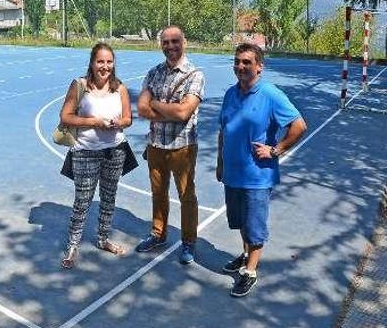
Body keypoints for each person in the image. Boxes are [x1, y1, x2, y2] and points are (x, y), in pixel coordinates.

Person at [217, 43, 307, 297]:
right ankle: (246, 256)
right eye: (237, 61)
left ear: (259, 67)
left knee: (254, 224)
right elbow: (223, 131)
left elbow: (299, 125)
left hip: (257, 175)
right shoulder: (230, 94)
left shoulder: (270, 94)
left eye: (247, 62)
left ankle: (250, 271)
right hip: (233, 173)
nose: (241, 66)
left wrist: (276, 150)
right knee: (241, 221)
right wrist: (220, 162)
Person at [59, 42, 133, 269]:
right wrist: (94, 122)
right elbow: (66, 117)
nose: (105, 66)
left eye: (109, 62)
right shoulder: (80, 85)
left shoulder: (119, 88)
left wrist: (118, 123)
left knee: (109, 198)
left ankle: (103, 238)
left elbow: (128, 119)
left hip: (115, 151)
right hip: (85, 152)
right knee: (83, 201)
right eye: (100, 61)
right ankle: (73, 245)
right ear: (92, 63)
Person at [136, 26, 205, 264]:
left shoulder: (194, 74)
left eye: (175, 41)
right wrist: (169, 110)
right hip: (156, 144)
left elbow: (184, 112)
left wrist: (156, 104)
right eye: (166, 42)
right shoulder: (154, 72)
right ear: (161, 45)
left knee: (186, 196)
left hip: (182, 146)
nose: (170, 46)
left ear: (183, 42)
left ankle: (188, 241)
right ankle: (158, 233)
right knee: (158, 193)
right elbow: (142, 109)